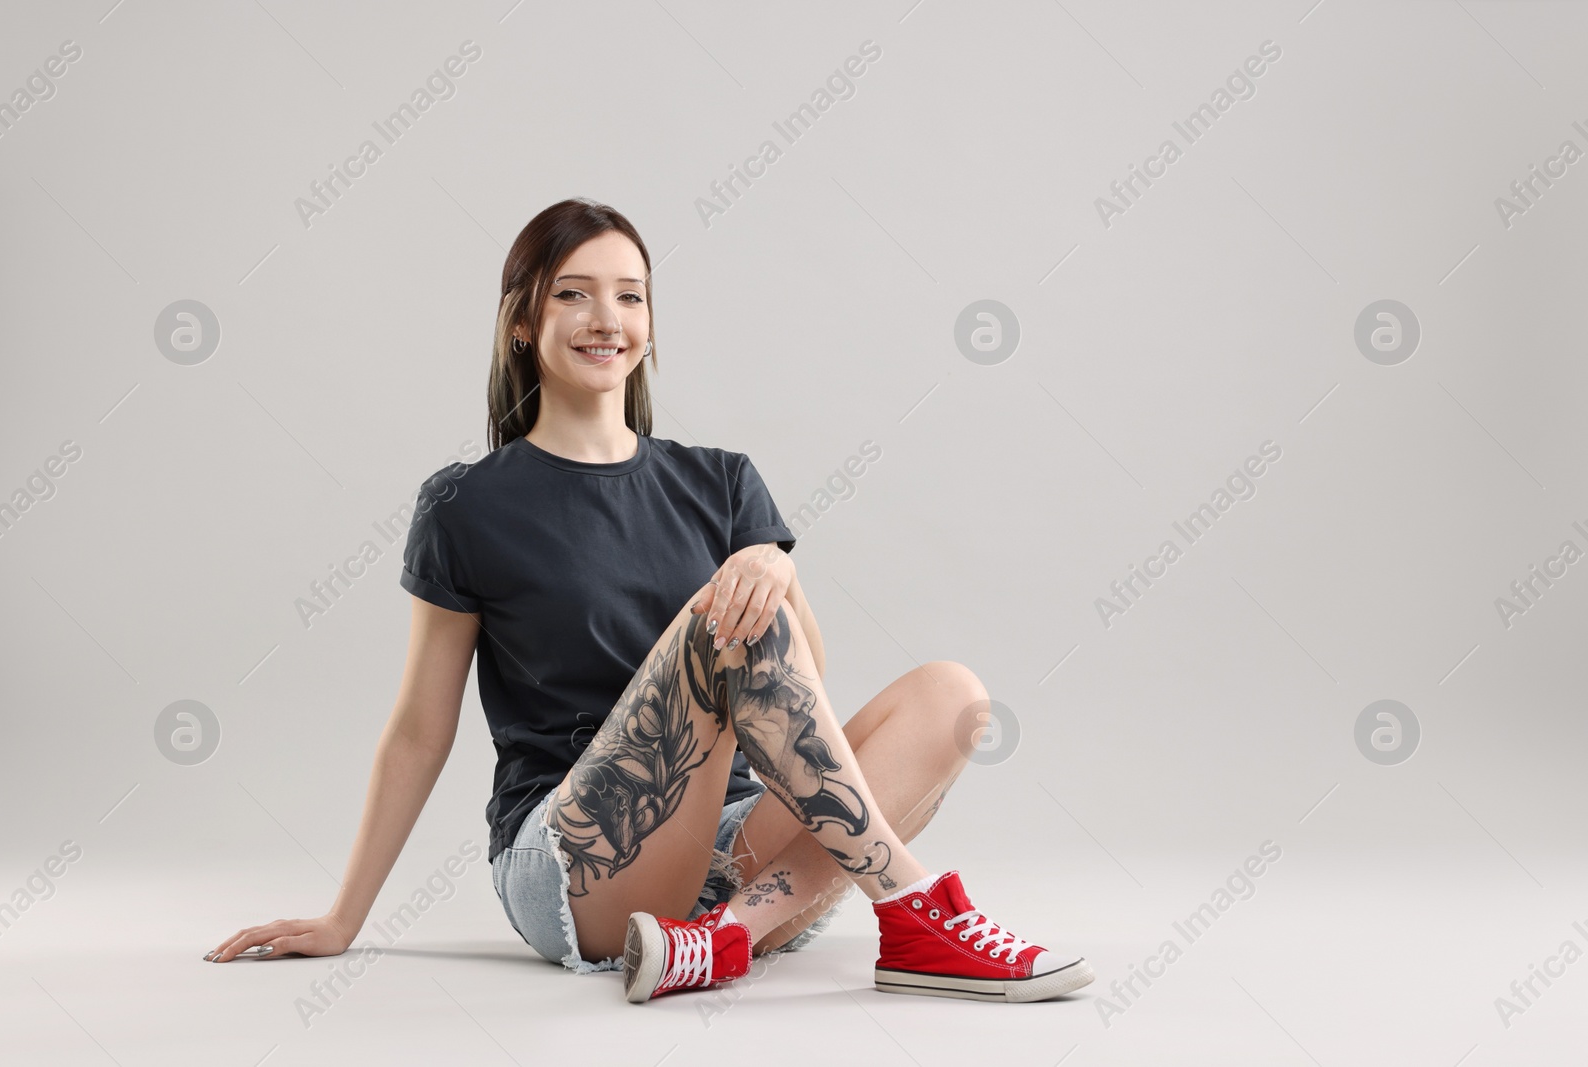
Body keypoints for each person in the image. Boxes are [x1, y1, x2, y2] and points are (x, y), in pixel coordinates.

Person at [203, 197, 1094, 1005]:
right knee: (718, 623)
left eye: (630, 296)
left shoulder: (722, 483)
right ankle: (913, 912)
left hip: (737, 854)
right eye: (574, 295)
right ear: (521, 320)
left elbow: (800, 699)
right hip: (576, 857)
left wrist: (778, 569)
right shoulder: (465, 505)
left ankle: (722, 937)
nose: (607, 319)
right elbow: (418, 730)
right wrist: (344, 917)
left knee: (953, 694)